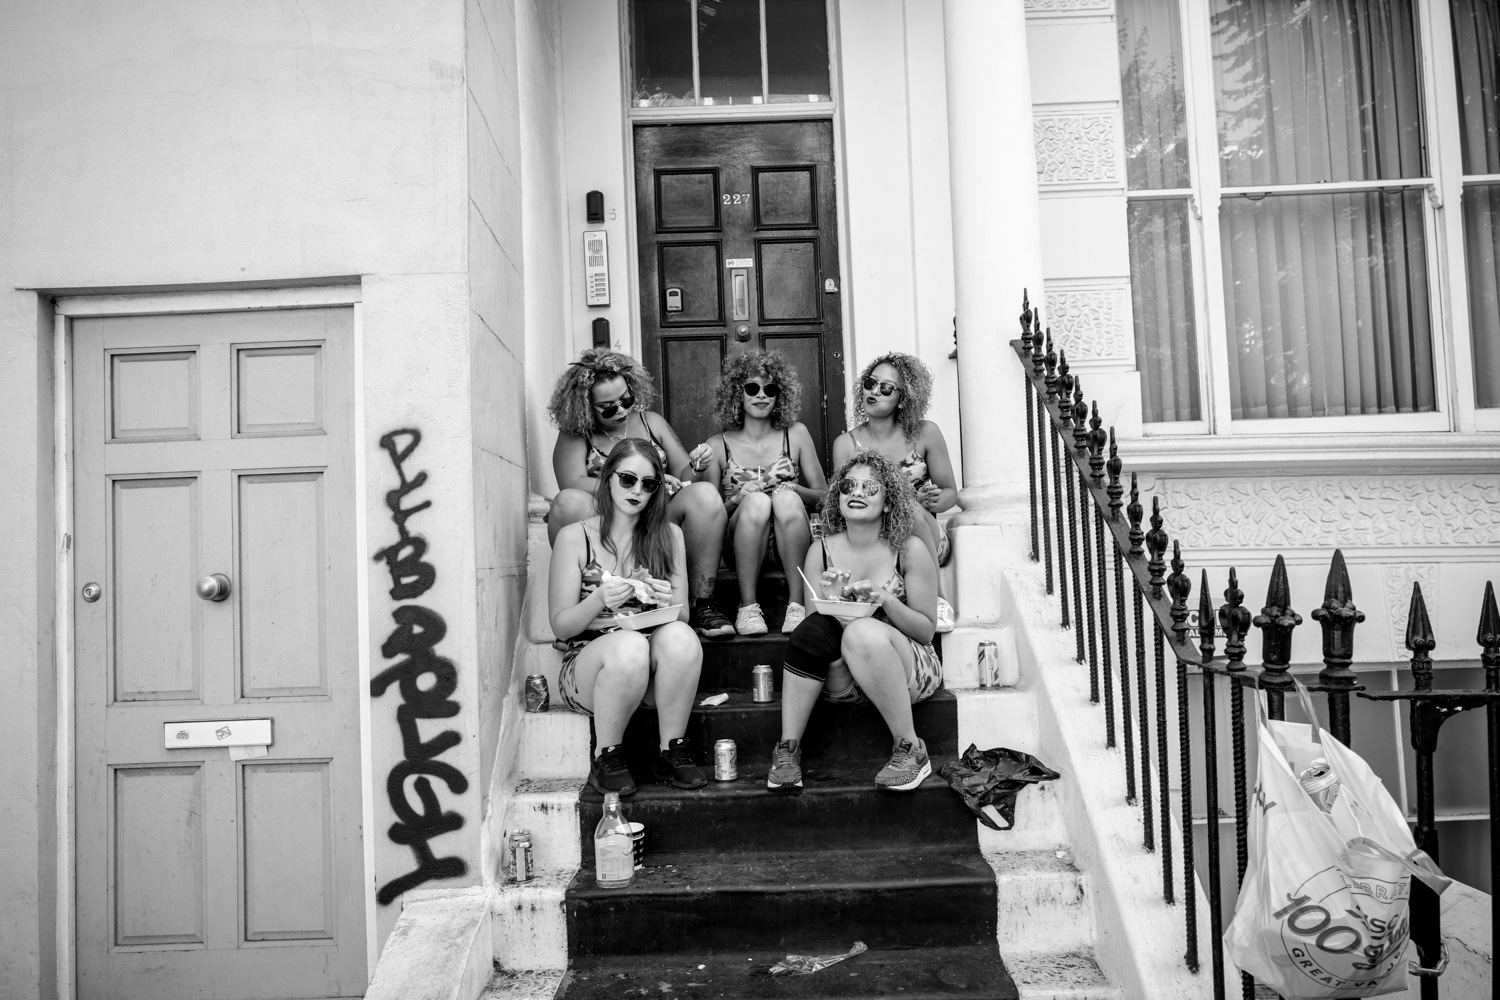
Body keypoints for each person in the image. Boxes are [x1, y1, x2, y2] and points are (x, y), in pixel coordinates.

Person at [765, 451, 943, 793]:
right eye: (848, 486)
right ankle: (787, 750)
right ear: (838, 496)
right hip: (844, 681)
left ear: (888, 503)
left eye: (870, 487)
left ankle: (911, 748)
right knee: (810, 631)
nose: (857, 493)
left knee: (862, 631)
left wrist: (885, 599)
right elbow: (816, 637)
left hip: (909, 670)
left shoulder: (910, 549)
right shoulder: (820, 551)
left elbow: (925, 630)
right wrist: (833, 601)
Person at [548, 438, 708, 795]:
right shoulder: (575, 537)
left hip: (648, 671)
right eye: (627, 479)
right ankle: (607, 756)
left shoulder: (669, 536)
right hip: (588, 670)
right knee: (630, 645)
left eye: (648, 484)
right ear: (608, 478)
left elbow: (682, 615)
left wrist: (666, 599)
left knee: (682, 637)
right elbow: (561, 625)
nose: (637, 490)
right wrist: (599, 599)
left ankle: (672, 751)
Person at [547, 349, 735, 639]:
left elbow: (684, 474)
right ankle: (580, 605)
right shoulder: (577, 433)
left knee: (706, 495)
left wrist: (697, 465)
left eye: (626, 400)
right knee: (566, 503)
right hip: (608, 520)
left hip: (656, 513)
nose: (621, 411)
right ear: (585, 406)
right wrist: (634, 481)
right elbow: (571, 482)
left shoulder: (651, 422)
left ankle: (702, 603)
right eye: (608, 407)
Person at [693, 350, 827, 636]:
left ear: (780, 395)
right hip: (739, 544)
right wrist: (737, 499)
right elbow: (709, 518)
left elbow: (823, 496)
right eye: (752, 388)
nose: (761, 395)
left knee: (787, 499)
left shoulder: (796, 434)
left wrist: (793, 488)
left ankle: (797, 605)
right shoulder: (718, 445)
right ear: (737, 394)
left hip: (790, 541)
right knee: (755, 502)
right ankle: (747, 607)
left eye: (770, 389)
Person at [832, 352, 959, 632]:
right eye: (870, 383)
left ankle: (937, 598)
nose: (874, 391)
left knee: (911, 509)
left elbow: (951, 493)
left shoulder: (926, 433)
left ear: (903, 399)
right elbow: (843, 500)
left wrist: (936, 500)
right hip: (876, 541)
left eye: (886, 388)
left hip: (925, 537)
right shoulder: (846, 443)